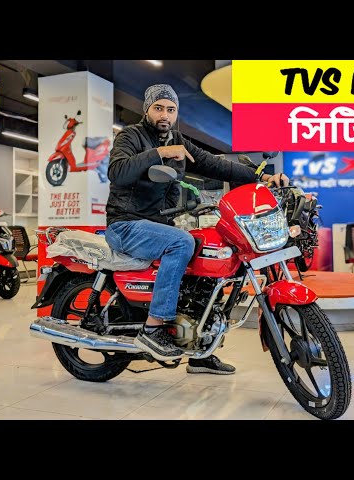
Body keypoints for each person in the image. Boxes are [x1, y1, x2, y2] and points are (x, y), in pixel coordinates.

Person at [105, 84, 289, 375]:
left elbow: (215, 165)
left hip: (158, 225)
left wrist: (262, 177)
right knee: (182, 243)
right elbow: (117, 172)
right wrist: (160, 152)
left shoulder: (178, 140)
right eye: (158, 108)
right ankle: (153, 329)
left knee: (210, 259)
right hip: (125, 224)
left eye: (171, 109)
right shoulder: (130, 136)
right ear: (147, 109)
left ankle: (201, 350)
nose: (165, 114)